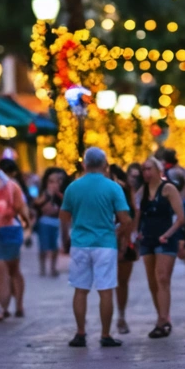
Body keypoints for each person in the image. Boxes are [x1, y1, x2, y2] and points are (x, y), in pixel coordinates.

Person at [61, 147, 133, 347]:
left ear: (84, 164)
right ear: (105, 165)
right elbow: (126, 219)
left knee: (80, 289)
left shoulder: (73, 188)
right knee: (106, 290)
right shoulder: (113, 188)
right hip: (105, 244)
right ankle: (105, 334)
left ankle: (80, 333)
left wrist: (65, 239)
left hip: (80, 243)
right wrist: (118, 233)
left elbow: (64, 217)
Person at [132, 156, 185, 337]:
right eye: (144, 169)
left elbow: (181, 218)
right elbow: (136, 210)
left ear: (158, 170)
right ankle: (163, 316)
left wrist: (168, 235)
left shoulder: (168, 188)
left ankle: (162, 321)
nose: (146, 173)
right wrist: (136, 232)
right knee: (152, 281)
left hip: (165, 238)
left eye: (149, 169)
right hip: (148, 238)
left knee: (162, 278)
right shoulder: (143, 191)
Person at [0, 159, 30, 318]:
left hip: (5, 229)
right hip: (10, 230)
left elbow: (22, 209)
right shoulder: (13, 186)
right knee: (13, 270)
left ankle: (5, 308)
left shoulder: (10, 186)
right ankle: (16, 306)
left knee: (5, 271)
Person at [111, 163, 139, 334]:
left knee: (122, 281)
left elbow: (132, 217)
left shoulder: (125, 190)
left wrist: (126, 240)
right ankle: (114, 317)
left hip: (123, 240)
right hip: (105, 241)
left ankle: (120, 315)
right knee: (109, 282)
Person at [33, 168, 66, 277]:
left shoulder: (60, 195)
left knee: (55, 247)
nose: (54, 184)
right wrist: (48, 196)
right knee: (43, 247)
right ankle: (42, 268)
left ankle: (53, 268)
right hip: (44, 222)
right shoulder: (44, 193)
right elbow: (37, 204)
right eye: (51, 181)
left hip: (56, 222)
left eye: (57, 181)